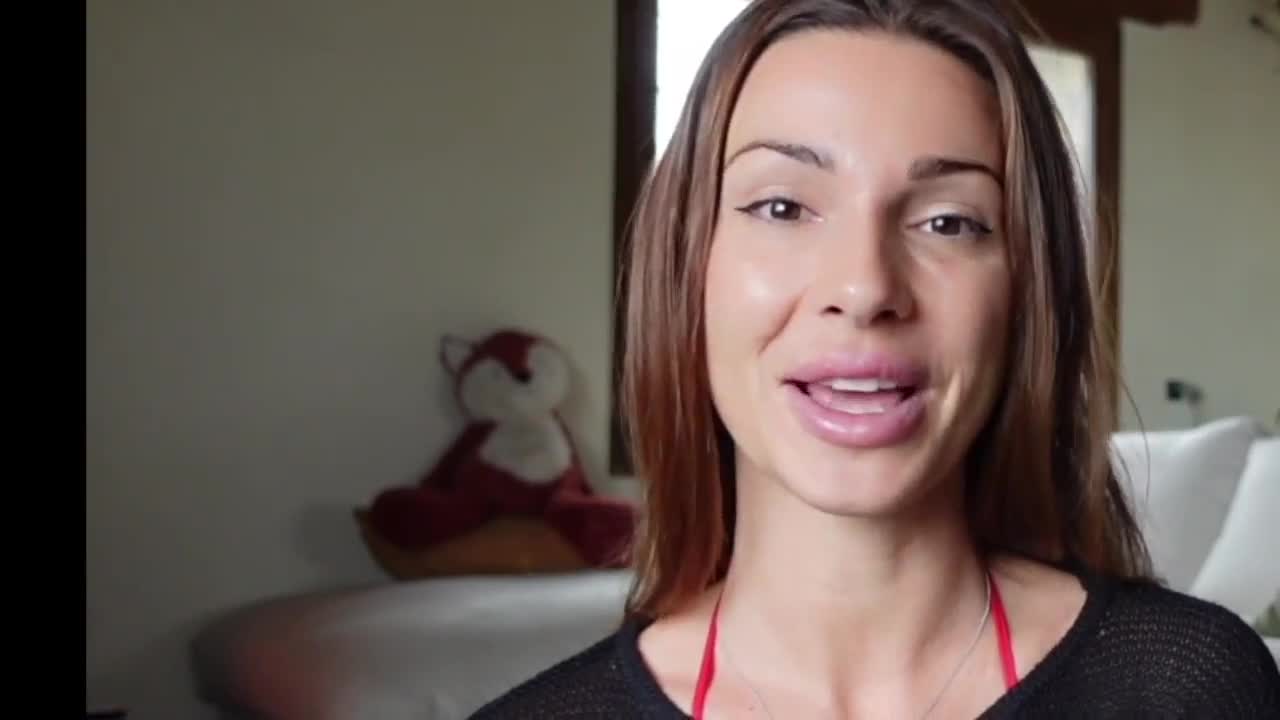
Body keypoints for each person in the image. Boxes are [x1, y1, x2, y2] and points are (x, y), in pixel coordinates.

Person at [472, 0, 1280, 717]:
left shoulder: (1192, 687)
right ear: (688, 272)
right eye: (782, 206)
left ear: (1026, 296)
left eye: (948, 222)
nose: (864, 288)